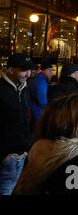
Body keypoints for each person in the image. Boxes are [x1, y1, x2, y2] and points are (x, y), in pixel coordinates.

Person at [0, 54, 35, 194]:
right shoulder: (2, 90)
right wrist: (3, 153)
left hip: (21, 153)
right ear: (10, 70)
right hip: (7, 156)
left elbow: (26, 120)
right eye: (23, 70)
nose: (27, 74)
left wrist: (27, 148)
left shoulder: (24, 89)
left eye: (30, 70)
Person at [28, 60, 54, 129]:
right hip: (37, 114)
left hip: (33, 112)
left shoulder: (38, 78)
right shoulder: (41, 80)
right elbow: (42, 101)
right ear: (45, 70)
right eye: (50, 70)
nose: (52, 73)